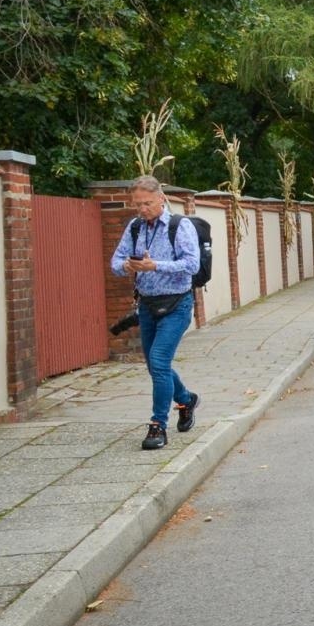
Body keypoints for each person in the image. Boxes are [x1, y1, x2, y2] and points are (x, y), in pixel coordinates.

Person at [109, 176, 201, 450]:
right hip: (147, 306)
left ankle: (158, 425)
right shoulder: (135, 227)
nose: (142, 208)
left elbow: (192, 264)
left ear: (161, 198)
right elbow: (115, 261)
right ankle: (186, 399)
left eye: (147, 203)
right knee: (154, 365)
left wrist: (156, 266)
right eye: (137, 204)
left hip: (176, 305)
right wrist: (126, 266)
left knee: (159, 361)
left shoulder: (179, 226)